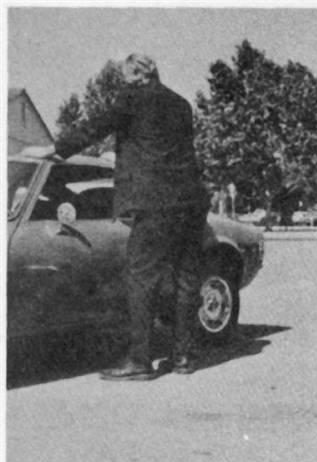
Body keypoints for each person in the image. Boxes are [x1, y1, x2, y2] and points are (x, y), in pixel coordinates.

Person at [21, 54, 209, 380]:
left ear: (135, 76)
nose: (125, 83)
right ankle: (184, 358)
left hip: (154, 203)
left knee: (141, 280)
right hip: (190, 201)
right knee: (186, 279)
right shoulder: (181, 104)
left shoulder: (132, 98)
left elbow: (95, 126)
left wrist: (53, 151)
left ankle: (139, 361)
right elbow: (161, 147)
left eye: (126, 77)